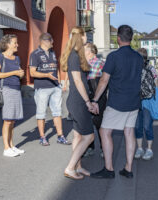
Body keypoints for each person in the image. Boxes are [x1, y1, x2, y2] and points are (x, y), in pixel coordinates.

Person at [90, 25, 143, 179]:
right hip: (134, 101)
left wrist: (95, 99)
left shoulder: (113, 57)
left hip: (118, 101)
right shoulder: (139, 57)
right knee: (129, 132)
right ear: (131, 38)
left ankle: (109, 169)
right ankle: (128, 168)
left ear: (118, 38)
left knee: (104, 131)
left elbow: (104, 80)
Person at [61, 27, 95, 179]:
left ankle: (78, 167)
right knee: (89, 137)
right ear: (80, 37)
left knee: (78, 136)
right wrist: (88, 101)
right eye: (85, 35)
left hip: (75, 100)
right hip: (79, 101)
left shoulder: (74, 55)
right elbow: (77, 80)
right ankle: (70, 168)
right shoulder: (74, 56)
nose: (87, 37)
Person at [29, 33, 70, 146]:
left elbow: (56, 68)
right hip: (42, 88)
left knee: (57, 112)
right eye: (51, 41)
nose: (53, 43)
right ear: (45, 41)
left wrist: (59, 83)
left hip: (55, 87)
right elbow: (32, 72)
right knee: (41, 113)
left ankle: (60, 136)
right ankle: (42, 137)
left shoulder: (52, 53)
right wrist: (46, 75)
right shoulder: (35, 54)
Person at [0, 34, 25, 157]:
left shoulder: (16, 58)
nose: (17, 45)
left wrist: (20, 74)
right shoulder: (0, 57)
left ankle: (11, 145)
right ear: (8, 44)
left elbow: (19, 73)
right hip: (6, 89)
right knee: (7, 120)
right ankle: (6, 148)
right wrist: (14, 72)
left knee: (13, 120)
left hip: (16, 89)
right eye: (15, 43)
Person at [134, 48, 158, 161]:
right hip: (136, 101)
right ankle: (139, 148)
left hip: (148, 101)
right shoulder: (134, 69)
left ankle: (149, 149)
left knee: (146, 126)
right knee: (138, 126)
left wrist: (156, 102)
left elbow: (156, 85)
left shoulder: (151, 69)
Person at [83, 43, 106, 157]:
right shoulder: (85, 63)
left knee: (98, 122)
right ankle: (90, 147)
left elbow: (103, 82)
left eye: (84, 50)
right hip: (88, 96)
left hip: (97, 96)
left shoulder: (99, 63)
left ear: (90, 51)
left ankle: (103, 148)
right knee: (88, 123)